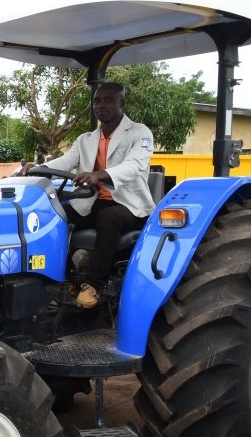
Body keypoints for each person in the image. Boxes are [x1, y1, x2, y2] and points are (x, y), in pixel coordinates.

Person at [19, 82, 155, 309]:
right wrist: (36, 169)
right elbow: (66, 162)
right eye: (97, 100)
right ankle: (60, 278)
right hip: (93, 203)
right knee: (57, 215)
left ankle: (93, 285)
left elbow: (135, 166)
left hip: (129, 206)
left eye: (109, 100)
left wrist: (98, 175)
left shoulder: (140, 133)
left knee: (109, 217)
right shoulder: (86, 139)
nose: (101, 105)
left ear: (122, 103)